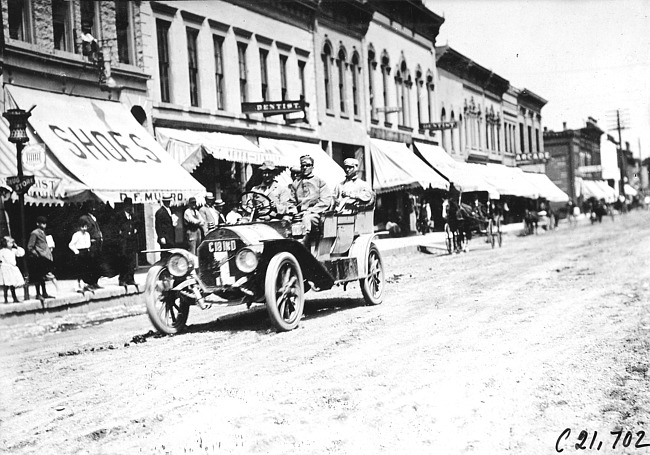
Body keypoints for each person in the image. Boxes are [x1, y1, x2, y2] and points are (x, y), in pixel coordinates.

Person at [290, 154, 333, 248]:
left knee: (306, 219)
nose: (305, 168)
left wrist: (309, 211)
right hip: (298, 215)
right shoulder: (295, 183)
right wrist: (293, 211)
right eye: (303, 166)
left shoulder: (320, 182)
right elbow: (291, 202)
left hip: (315, 215)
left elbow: (325, 201)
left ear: (312, 167)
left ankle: (302, 248)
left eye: (308, 165)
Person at [27, 216, 56, 300]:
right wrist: (37, 254)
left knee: (43, 276)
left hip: (45, 257)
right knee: (38, 276)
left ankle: (44, 292)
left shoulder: (44, 233)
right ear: (37, 224)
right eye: (42, 223)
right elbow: (30, 246)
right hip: (39, 257)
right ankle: (38, 294)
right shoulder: (35, 233)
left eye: (45, 223)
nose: (44, 225)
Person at [79, 200, 104, 289]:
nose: (94, 208)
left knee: (97, 263)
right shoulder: (84, 218)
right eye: (92, 206)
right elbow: (84, 231)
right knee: (90, 264)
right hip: (91, 243)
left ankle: (95, 282)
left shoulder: (93, 218)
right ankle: (89, 282)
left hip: (97, 244)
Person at [116, 197, 139, 286]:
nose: (130, 208)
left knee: (131, 261)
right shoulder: (119, 216)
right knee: (123, 261)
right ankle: (122, 279)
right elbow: (116, 228)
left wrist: (135, 230)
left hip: (131, 242)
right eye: (128, 206)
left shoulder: (133, 216)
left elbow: (137, 225)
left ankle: (130, 279)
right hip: (123, 242)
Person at [68, 220, 92, 291]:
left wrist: (88, 248)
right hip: (79, 252)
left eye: (86, 227)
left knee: (86, 269)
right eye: (83, 227)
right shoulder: (76, 235)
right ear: (80, 227)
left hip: (86, 252)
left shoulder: (87, 234)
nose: (84, 229)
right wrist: (76, 251)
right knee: (79, 270)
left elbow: (88, 243)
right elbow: (71, 244)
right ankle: (77, 287)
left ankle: (84, 285)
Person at [0, 236, 25, 303]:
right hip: (5, 268)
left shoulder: (13, 251)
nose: (12, 244)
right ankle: (5, 299)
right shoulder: (2, 251)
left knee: (12, 284)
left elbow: (21, 253)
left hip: (12, 268)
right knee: (6, 284)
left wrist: (17, 247)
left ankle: (14, 298)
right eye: (10, 242)